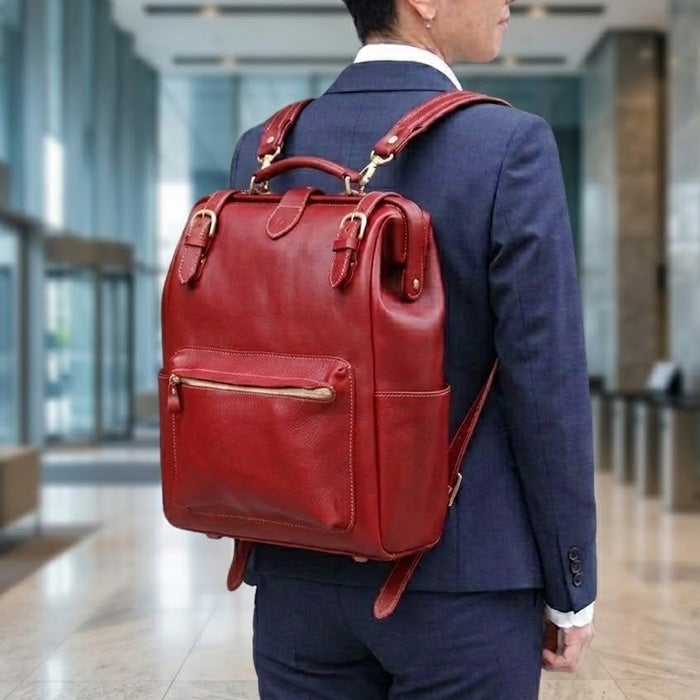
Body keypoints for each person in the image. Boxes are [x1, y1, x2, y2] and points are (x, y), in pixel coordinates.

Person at [228, 0, 597, 697]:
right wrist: (571, 586)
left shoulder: (265, 151)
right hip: (465, 583)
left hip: (295, 571)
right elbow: (545, 383)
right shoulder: (507, 144)